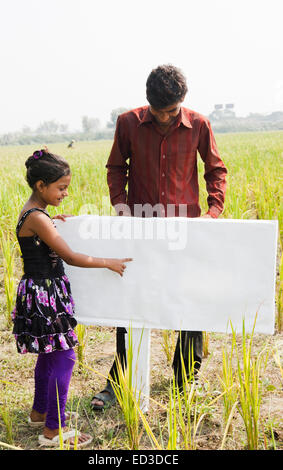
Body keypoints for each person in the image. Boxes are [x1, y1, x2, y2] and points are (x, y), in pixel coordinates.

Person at [91, 64, 227, 410]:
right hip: (139, 228)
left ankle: (186, 378)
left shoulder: (198, 124)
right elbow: (115, 167)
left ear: (183, 101)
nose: (168, 117)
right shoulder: (127, 123)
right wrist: (120, 205)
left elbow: (216, 170)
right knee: (132, 301)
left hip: (186, 229)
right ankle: (118, 381)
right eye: (161, 111)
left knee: (189, 300)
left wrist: (212, 213)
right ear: (148, 102)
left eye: (174, 110)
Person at [11, 148, 132, 447]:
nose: (65, 193)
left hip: (39, 291)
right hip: (45, 294)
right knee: (64, 357)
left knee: (49, 355)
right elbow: (70, 256)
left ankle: (40, 413)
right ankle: (54, 430)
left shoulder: (36, 213)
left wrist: (51, 222)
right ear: (41, 186)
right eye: (61, 188)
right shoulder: (38, 217)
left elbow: (44, 235)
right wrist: (108, 262)